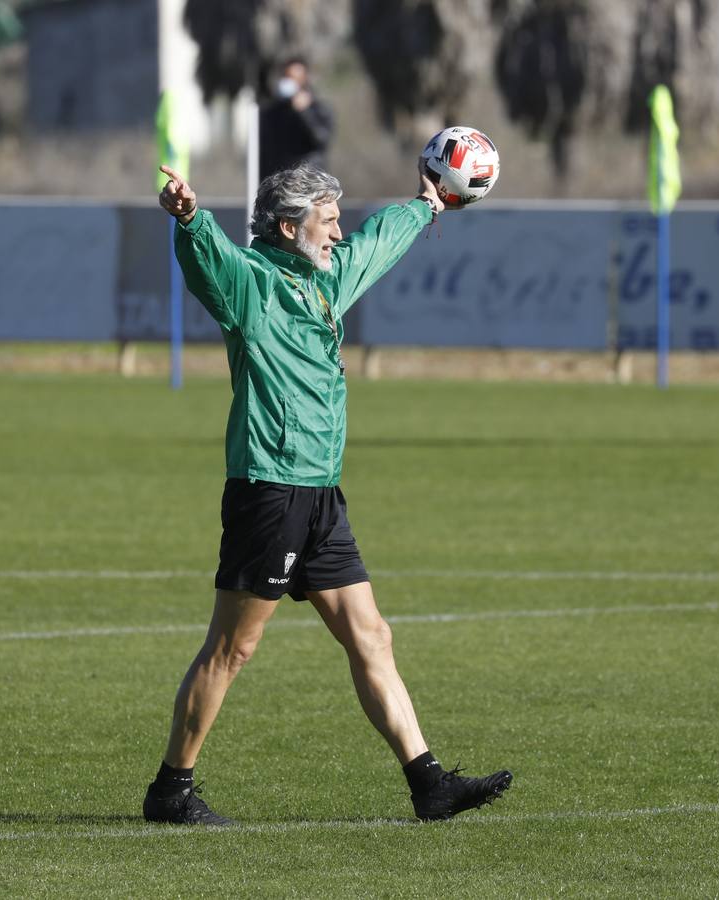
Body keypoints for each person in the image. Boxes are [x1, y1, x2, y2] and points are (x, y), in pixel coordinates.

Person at [145, 160, 513, 826]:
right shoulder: (251, 285)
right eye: (327, 220)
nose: (339, 233)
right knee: (233, 649)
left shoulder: (324, 283)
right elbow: (209, 263)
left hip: (318, 495)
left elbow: (373, 247)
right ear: (288, 227)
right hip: (269, 488)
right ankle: (171, 789)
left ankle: (428, 782)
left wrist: (424, 206)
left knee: (372, 637)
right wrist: (189, 218)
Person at [259, 57, 335, 177]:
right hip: (279, 179)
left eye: (295, 78)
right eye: (287, 77)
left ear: (305, 79)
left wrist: (304, 113)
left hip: (310, 178)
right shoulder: (272, 112)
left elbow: (320, 139)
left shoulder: (319, 109)